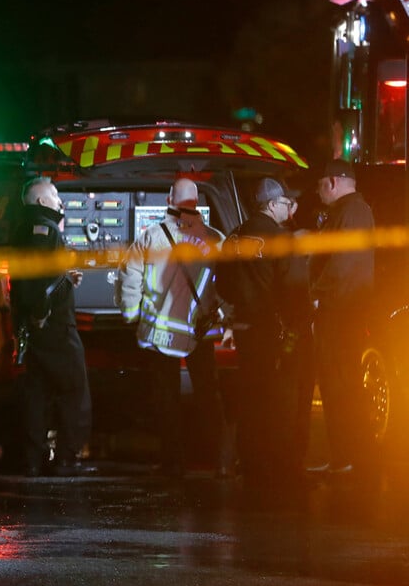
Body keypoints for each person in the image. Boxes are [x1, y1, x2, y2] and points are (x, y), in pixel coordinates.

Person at [116, 177, 230, 476]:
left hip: (159, 333)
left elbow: (130, 277)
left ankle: (172, 462)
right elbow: (229, 285)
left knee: (166, 398)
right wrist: (227, 318)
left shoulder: (152, 236)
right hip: (199, 332)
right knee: (209, 395)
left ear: (169, 199)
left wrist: (130, 315)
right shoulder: (215, 239)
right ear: (197, 202)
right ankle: (218, 459)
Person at [216, 178, 311, 484]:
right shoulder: (282, 240)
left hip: (245, 327)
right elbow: (294, 290)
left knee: (249, 393)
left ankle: (250, 460)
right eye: (285, 203)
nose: (288, 208)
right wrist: (297, 327)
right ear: (272, 205)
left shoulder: (234, 237)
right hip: (274, 330)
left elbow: (222, 282)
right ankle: (276, 465)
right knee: (277, 397)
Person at [10, 176, 94, 478]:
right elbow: (37, 283)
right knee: (74, 392)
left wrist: (65, 277)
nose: (60, 200)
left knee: (38, 394)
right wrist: (41, 311)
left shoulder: (24, 229)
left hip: (38, 328)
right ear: (42, 201)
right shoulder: (43, 230)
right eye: (55, 194)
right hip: (53, 327)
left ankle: (33, 459)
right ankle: (67, 458)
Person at [308, 159, 376, 476]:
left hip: (340, 313)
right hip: (344, 311)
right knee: (341, 385)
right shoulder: (354, 212)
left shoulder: (350, 212)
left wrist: (316, 293)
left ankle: (349, 456)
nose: (318, 191)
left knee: (340, 385)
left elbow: (340, 262)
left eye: (320, 184)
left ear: (332, 182)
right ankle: (347, 456)